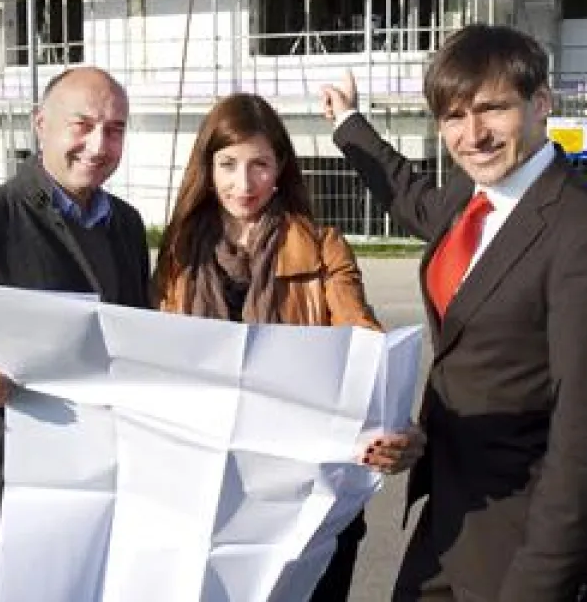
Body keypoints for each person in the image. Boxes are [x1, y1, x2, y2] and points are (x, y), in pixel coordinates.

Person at [321, 24, 587, 602]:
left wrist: (537, 584)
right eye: (453, 116)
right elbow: (413, 198)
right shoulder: (471, 195)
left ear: (541, 104)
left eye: (492, 109)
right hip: (454, 515)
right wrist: (349, 126)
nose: (472, 134)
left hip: (532, 541)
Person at [152, 92, 418, 602]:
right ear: (207, 168)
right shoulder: (179, 252)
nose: (243, 183)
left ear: (280, 169)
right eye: (228, 164)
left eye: (259, 165)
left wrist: (395, 419)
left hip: (306, 494)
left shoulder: (322, 246)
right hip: (208, 491)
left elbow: (364, 341)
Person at [0, 66, 151, 602]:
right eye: (82, 124)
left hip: (116, 476)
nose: (98, 144)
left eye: (114, 130)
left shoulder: (128, 227)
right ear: (41, 125)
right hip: (26, 486)